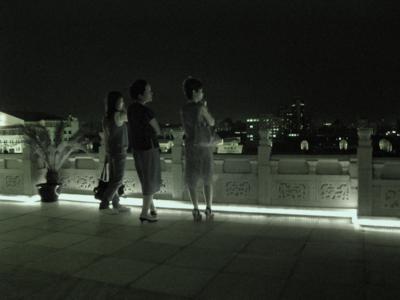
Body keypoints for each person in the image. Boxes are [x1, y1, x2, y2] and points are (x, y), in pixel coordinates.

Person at [180, 77, 215, 221]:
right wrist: (204, 108)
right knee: (207, 178)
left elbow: (185, 128)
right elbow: (211, 121)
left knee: (191, 179)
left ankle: (195, 209)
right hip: (204, 147)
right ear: (194, 92)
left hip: (190, 146)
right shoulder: (200, 107)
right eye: (201, 91)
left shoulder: (183, 109)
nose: (202, 93)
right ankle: (208, 208)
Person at [128, 79, 161, 223]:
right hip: (149, 147)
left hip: (136, 147)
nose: (151, 93)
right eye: (148, 91)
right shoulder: (147, 111)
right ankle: (144, 213)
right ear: (141, 95)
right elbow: (157, 130)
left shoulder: (130, 109)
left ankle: (152, 208)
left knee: (145, 178)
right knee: (151, 178)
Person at [100, 91, 131, 214]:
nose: (122, 103)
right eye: (121, 101)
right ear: (115, 103)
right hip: (119, 151)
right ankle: (104, 204)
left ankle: (116, 203)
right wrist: (124, 108)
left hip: (111, 151)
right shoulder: (118, 116)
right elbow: (130, 116)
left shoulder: (106, 118)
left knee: (114, 179)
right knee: (118, 179)